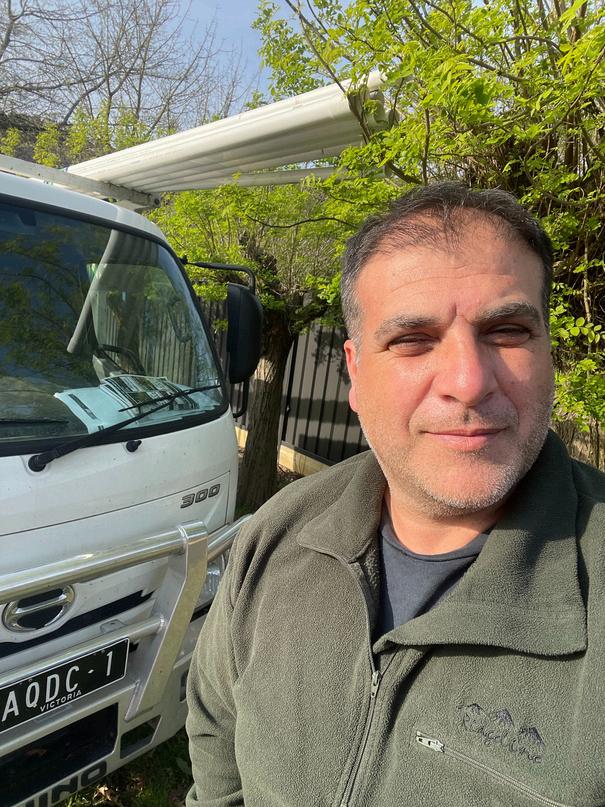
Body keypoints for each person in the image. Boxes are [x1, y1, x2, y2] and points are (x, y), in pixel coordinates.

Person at [185, 183, 605, 807]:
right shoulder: (274, 538)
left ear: (550, 355)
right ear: (355, 371)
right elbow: (216, 743)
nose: (468, 382)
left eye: (508, 331)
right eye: (413, 340)